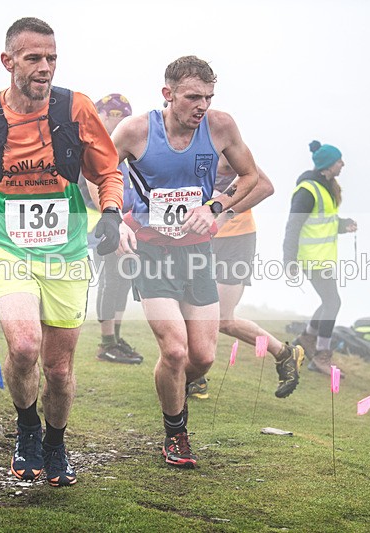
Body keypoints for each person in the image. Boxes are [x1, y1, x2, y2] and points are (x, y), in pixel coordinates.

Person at [0, 17, 124, 487]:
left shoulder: (76, 108)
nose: (45, 68)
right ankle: (27, 430)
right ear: (8, 62)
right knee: (24, 347)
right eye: (33, 59)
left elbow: (108, 172)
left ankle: (55, 443)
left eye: (52, 58)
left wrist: (110, 213)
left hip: (66, 254)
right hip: (7, 247)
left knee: (59, 369)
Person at [113, 56, 279, 468]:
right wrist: (113, 221)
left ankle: (172, 391)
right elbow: (96, 173)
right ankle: (176, 433)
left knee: (201, 357)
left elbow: (252, 177)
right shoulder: (134, 130)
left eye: (208, 96)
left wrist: (217, 206)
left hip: (197, 253)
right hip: (151, 253)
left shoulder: (221, 126)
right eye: (192, 97)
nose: (201, 105)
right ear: (168, 95)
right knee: (174, 349)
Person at [188, 155, 303, 399]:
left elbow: (265, 186)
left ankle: (284, 354)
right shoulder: (185, 148)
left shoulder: (227, 150)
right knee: (187, 305)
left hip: (236, 241)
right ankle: (194, 376)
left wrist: (226, 213)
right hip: (199, 238)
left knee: (222, 319)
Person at [283, 141, 357, 376]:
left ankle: (306, 337)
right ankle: (321, 355)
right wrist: (289, 259)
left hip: (321, 258)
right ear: (327, 164)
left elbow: (323, 223)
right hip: (310, 258)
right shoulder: (308, 189)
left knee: (329, 301)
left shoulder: (325, 188)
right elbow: (293, 225)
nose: (343, 164)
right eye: (338, 161)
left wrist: (343, 225)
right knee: (333, 302)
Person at [86, 94, 143, 365]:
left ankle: (116, 339)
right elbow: (94, 187)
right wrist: (114, 221)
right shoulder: (94, 146)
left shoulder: (124, 148)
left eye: (124, 117)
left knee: (123, 281)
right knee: (110, 280)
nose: (118, 122)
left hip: (127, 224)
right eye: (113, 116)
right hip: (103, 224)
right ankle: (106, 342)